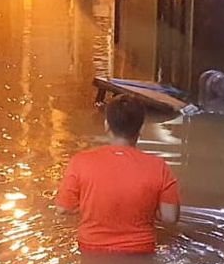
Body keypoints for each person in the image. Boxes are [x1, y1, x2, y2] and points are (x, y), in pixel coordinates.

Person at [55, 95, 180, 254]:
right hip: (141, 251)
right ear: (141, 128)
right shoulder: (159, 168)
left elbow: (62, 209)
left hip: (91, 249)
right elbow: (170, 217)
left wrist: (91, 206)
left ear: (107, 125)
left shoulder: (80, 162)